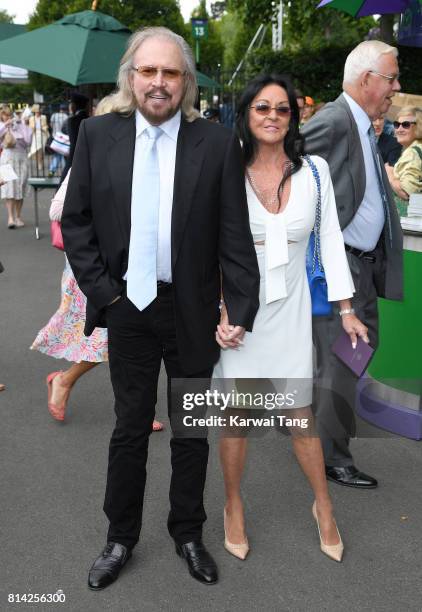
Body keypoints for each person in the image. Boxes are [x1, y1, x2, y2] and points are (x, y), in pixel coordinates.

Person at [62, 26, 259, 590]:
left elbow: (234, 236)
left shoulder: (218, 144)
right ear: (131, 77)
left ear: (185, 83)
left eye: (170, 73)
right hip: (127, 307)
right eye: (148, 71)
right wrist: (105, 294)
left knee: (190, 430)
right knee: (128, 428)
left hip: (191, 309)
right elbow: (75, 221)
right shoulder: (97, 135)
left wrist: (238, 307)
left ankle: (188, 533)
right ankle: (119, 537)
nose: (158, 82)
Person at [214, 73, 368, 563]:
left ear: (293, 118)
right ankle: (232, 505)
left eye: (282, 109)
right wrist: (219, 309)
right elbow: (207, 249)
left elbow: (329, 245)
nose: (272, 117)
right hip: (238, 314)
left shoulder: (315, 172)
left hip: (293, 310)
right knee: (236, 413)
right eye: (262, 107)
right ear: (246, 114)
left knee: (300, 413)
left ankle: (323, 505)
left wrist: (347, 309)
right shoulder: (225, 168)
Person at [302, 40, 403, 488]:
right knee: (343, 360)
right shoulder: (335, 120)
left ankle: (316, 430)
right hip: (338, 268)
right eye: (392, 79)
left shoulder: (363, 125)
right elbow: (285, 162)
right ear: (367, 81)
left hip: (358, 266)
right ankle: (331, 456)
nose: (396, 88)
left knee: (351, 354)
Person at [30, 95, 163, 432]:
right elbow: (59, 209)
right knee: (111, 338)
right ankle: (64, 380)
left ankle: (138, 409)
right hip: (94, 271)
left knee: (137, 340)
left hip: (132, 269)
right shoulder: (93, 156)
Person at [386, 106, 422, 216]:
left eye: (406, 125)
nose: (399, 129)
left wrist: (389, 173)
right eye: (397, 124)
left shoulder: (412, 153)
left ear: (419, 127)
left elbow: (406, 192)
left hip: (409, 221)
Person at [0, 106, 32, 228]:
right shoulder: (1, 126)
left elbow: (28, 141)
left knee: (21, 186)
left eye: (9, 115)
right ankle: (10, 217)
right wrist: (5, 126)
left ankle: (18, 217)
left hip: (21, 158)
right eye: (4, 115)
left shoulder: (19, 125)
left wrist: (23, 124)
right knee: (9, 188)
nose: (7, 117)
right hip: (8, 159)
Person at [60, 92, 89, 184]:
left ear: (74, 105)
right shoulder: (90, 118)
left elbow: (74, 143)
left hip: (73, 158)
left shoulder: (72, 120)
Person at [48, 103, 69, 176]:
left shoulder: (54, 115)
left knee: (57, 155)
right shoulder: (66, 116)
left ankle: (52, 170)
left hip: (55, 137)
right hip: (63, 138)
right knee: (64, 154)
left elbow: (50, 125)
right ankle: (65, 171)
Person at [28, 104, 48, 174]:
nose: (38, 112)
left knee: (41, 150)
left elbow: (46, 126)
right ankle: (39, 162)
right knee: (36, 149)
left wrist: (43, 128)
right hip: (35, 135)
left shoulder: (43, 117)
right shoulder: (31, 118)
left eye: (39, 111)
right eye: (36, 111)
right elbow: (30, 127)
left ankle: (40, 162)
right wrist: (33, 128)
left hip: (42, 134)